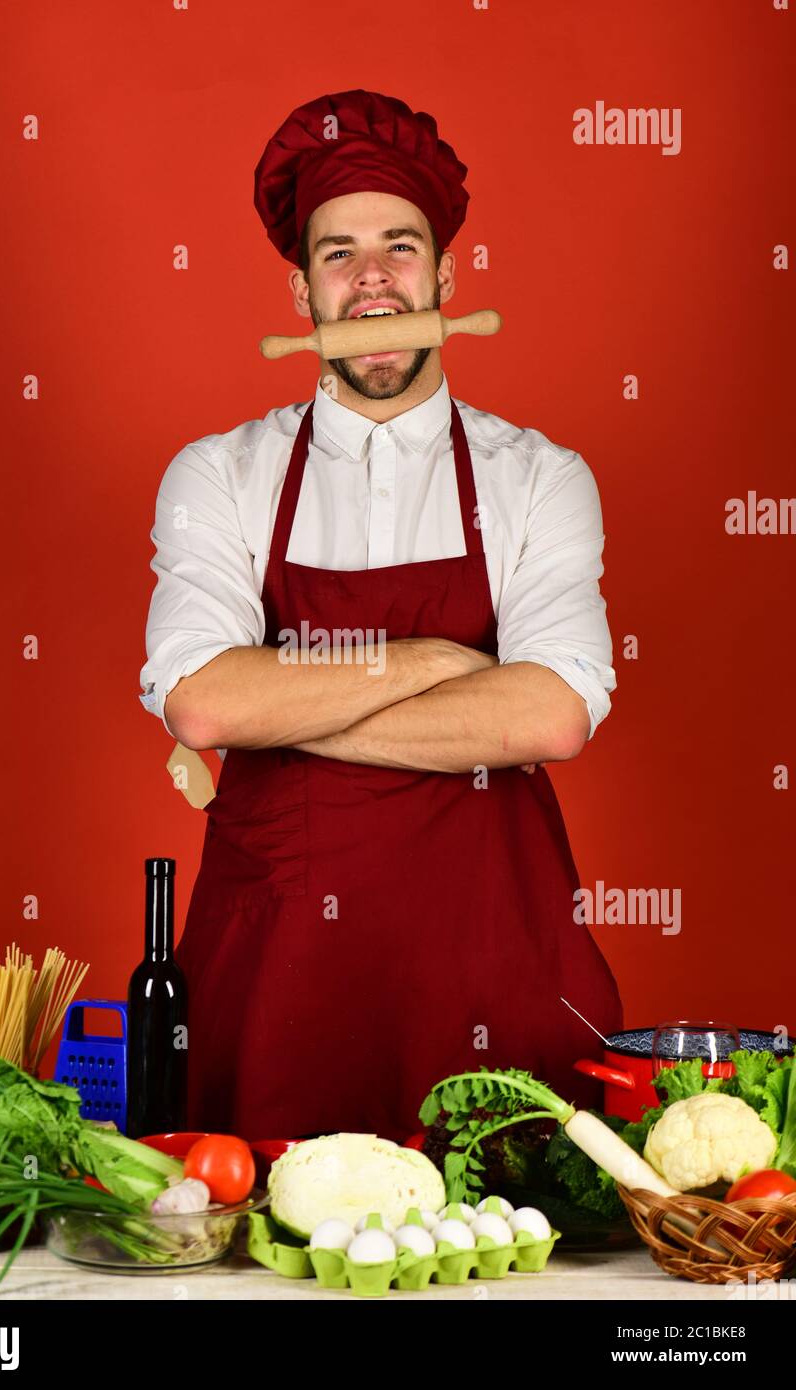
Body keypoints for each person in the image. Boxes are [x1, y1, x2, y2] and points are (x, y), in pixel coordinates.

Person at [139, 89, 623, 1141]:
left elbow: (549, 718)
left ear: (445, 276)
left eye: (400, 248)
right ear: (301, 285)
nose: (372, 280)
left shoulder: (541, 477)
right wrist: (445, 662)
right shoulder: (217, 474)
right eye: (338, 253)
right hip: (277, 986)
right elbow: (205, 703)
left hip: (491, 974)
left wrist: (288, 699)